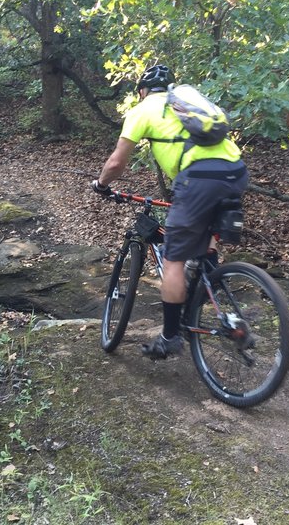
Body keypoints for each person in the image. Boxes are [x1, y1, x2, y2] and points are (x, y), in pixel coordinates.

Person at [91, 64, 249, 358]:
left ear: (142, 91)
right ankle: (206, 282)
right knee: (205, 242)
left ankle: (170, 337)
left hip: (198, 179)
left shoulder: (142, 110)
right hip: (235, 172)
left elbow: (115, 164)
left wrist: (101, 185)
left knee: (173, 260)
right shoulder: (186, 104)